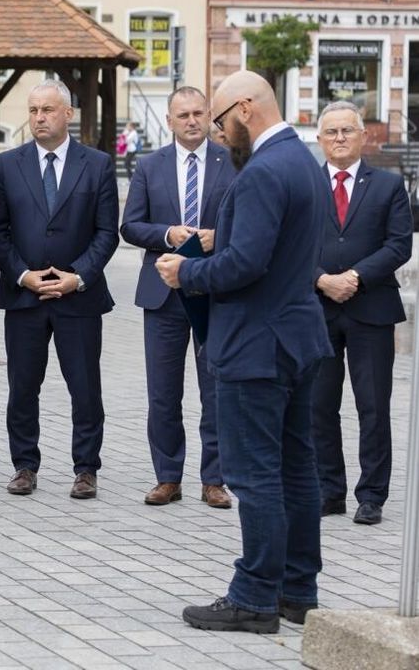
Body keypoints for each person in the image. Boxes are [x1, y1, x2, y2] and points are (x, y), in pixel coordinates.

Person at [157, 70, 332, 633]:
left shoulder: (261, 171)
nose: (218, 132)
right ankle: (297, 589)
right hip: (296, 338)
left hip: (256, 346)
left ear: (245, 109)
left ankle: (255, 596)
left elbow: (246, 265)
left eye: (220, 120)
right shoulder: (303, 160)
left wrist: (187, 271)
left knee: (255, 475)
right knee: (295, 467)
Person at [0, 79, 119, 499]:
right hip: (25, 296)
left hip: (78, 296)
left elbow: (106, 233)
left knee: (84, 388)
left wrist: (77, 276)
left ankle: (86, 468)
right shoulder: (8, 165)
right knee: (23, 386)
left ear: (69, 113)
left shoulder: (97, 165)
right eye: (32, 111)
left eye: (47, 110)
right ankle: (24, 465)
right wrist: (21, 275)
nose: (39, 118)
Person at [120, 87, 235, 509]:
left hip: (215, 293)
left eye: (198, 113)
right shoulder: (150, 166)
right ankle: (167, 476)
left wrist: (217, 238)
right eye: (182, 114)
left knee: (216, 390)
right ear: (168, 120)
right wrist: (167, 233)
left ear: (209, 117)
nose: (191, 121)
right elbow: (130, 226)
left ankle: (215, 479)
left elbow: (249, 224)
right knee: (163, 393)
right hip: (164, 294)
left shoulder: (233, 163)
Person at [311, 100, 412, 526]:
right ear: (320, 140)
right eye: (331, 132)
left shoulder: (388, 186)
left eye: (346, 131)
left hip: (370, 308)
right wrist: (321, 280)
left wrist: (355, 276)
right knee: (319, 406)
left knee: (373, 405)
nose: (339, 138)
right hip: (317, 310)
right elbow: (287, 245)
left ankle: (371, 495)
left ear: (363, 135)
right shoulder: (305, 186)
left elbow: (399, 244)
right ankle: (329, 491)